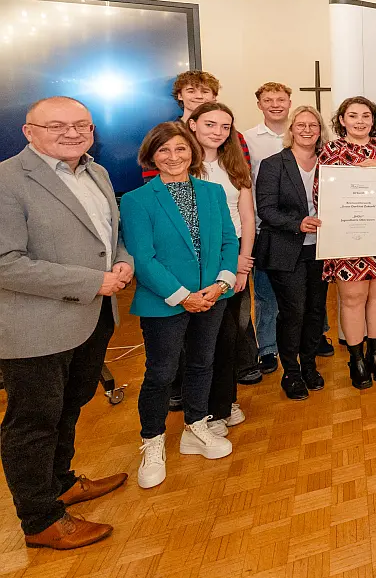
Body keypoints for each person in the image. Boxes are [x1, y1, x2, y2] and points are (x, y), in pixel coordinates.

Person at [0, 97, 131, 550]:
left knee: (70, 407)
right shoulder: (7, 181)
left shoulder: (96, 172)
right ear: (28, 131)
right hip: (35, 328)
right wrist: (95, 280)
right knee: (33, 423)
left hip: (92, 318)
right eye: (57, 125)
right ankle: (40, 520)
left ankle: (61, 483)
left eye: (82, 125)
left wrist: (123, 262)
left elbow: (109, 237)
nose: (72, 133)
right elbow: (5, 264)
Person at [122, 122, 238, 489]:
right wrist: (182, 296)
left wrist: (221, 284)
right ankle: (152, 441)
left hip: (213, 297)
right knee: (161, 373)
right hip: (165, 302)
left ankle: (196, 427)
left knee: (203, 364)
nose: (173, 157)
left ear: (193, 152)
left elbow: (227, 242)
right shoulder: (136, 199)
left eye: (181, 149)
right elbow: (143, 257)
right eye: (164, 151)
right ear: (151, 156)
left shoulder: (212, 191)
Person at [318, 96, 376, 388]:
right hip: (347, 237)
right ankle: (356, 359)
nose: (359, 121)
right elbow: (322, 194)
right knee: (353, 299)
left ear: (373, 119)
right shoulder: (331, 151)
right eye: (352, 115)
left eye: (365, 115)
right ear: (342, 120)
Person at [188, 102, 255, 435]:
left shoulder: (235, 167)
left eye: (225, 126)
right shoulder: (183, 166)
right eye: (210, 124)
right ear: (193, 126)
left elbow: (247, 219)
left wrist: (243, 265)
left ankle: (226, 402)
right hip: (198, 266)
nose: (217, 132)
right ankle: (205, 411)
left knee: (230, 338)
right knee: (205, 342)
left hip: (234, 262)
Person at [255, 105, 330, 400]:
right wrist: (298, 224)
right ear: (292, 130)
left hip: (322, 250)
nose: (308, 130)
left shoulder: (329, 163)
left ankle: (309, 365)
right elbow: (266, 210)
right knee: (293, 312)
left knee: (315, 310)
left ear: (321, 130)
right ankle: (292, 372)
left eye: (313, 125)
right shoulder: (274, 164)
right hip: (287, 251)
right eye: (301, 125)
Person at [244, 82, 291, 376]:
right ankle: (268, 347)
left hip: (304, 226)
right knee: (265, 293)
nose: (275, 104)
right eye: (268, 100)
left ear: (289, 102)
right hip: (264, 227)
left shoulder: (302, 132)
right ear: (259, 104)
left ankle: (317, 335)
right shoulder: (247, 139)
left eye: (281, 99)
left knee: (308, 289)